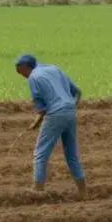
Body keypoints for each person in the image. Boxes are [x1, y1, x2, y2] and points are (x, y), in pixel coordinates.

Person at [15, 54, 87, 198]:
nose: (21, 75)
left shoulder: (33, 77)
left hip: (55, 114)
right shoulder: (54, 68)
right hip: (70, 112)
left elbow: (42, 110)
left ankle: (38, 191)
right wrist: (70, 107)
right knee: (71, 154)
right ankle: (83, 192)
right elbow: (77, 92)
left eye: (20, 72)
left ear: (26, 67)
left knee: (40, 153)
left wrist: (35, 124)